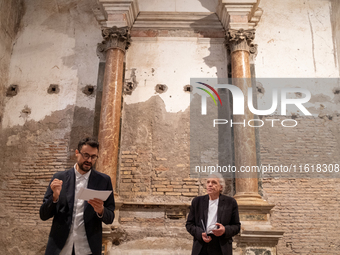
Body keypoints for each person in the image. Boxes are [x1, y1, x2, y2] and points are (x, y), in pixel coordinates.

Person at [40, 137, 115, 255]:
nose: (89, 160)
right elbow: (43, 215)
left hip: (87, 248)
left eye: (93, 157)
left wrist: (101, 210)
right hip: (60, 248)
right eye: (86, 155)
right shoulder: (60, 178)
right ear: (77, 153)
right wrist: (54, 197)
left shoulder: (103, 181)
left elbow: (110, 217)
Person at [186, 173, 240, 255]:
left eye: (214, 182)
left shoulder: (230, 203)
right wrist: (200, 234)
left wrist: (224, 230)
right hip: (201, 244)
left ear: (221, 187)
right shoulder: (197, 202)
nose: (210, 185)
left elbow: (236, 226)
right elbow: (189, 224)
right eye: (208, 182)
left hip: (221, 245)